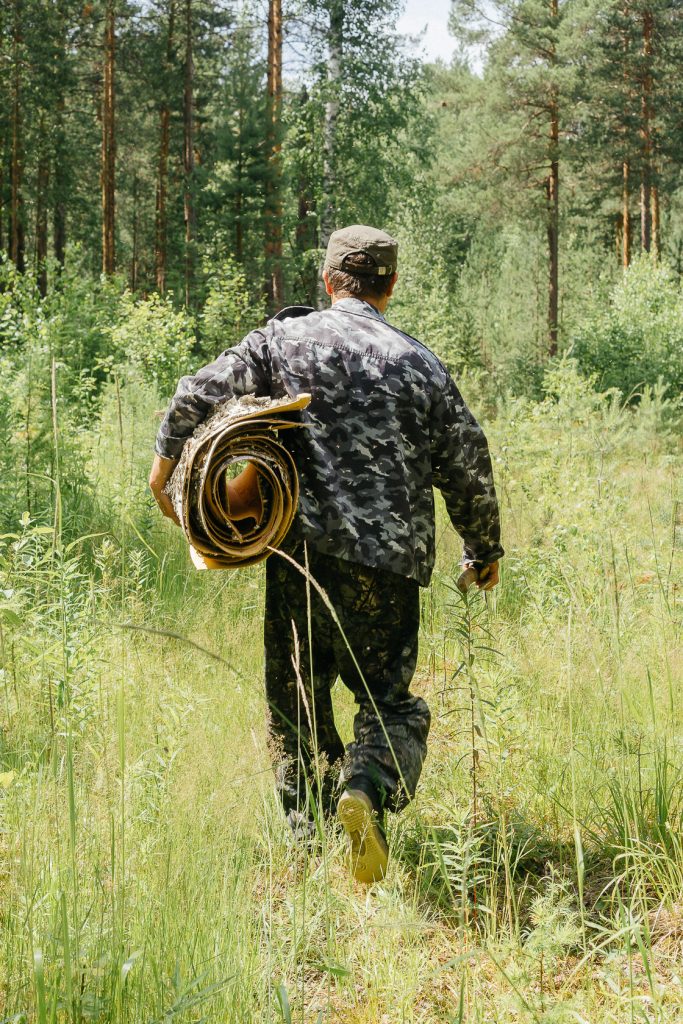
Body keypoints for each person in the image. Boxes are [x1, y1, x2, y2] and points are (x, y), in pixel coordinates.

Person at [149, 225, 503, 883]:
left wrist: (164, 465)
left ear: (328, 281)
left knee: (296, 707)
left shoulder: (280, 341)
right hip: (388, 565)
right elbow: (467, 461)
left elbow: (197, 391)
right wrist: (481, 547)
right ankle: (364, 788)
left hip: (297, 557)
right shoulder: (417, 362)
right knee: (388, 702)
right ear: (389, 285)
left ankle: (305, 855)